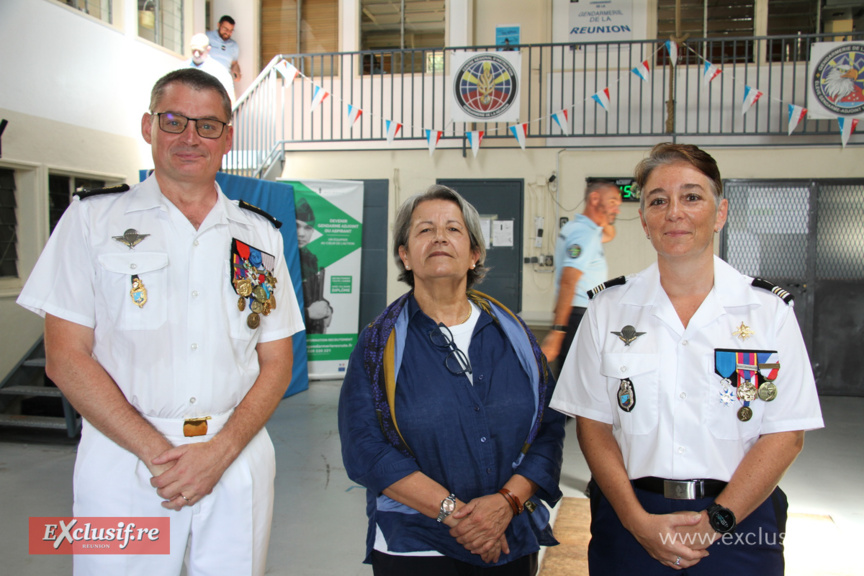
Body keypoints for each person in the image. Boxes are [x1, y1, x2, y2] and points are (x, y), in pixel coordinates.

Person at [16, 68, 304, 576]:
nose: (190, 137)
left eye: (207, 125)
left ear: (227, 137)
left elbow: (276, 361)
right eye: (174, 121)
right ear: (148, 126)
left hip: (235, 454)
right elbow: (64, 357)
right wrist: (158, 453)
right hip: (123, 458)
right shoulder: (91, 222)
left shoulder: (260, 235)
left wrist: (220, 452)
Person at [549, 143, 824, 575]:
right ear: (644, 220)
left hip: (739, 522)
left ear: (720, 213)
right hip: (629, 521)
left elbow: (785, 434)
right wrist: (637, 521)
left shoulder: (767, 312)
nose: (674, 212)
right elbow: (593, 425)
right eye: (658, 200)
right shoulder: (608, 310)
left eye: (692, 196)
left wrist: (714, 524)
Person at [338, 185, 566, 575]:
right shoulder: (379, 344)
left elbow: (548, 428)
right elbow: (365, 448)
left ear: (475, 253)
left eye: (453, 229)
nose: (439, 236)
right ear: (405, 255)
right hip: (416, 546)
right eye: (424, 230)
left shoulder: (516, 338)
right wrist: (460, 517)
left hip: (509, 538)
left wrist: (506, 504)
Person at [541, 180, 621, 373]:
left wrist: (606, 215)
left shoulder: (579, 228)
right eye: (612, 202)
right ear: (594, 199)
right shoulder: (584, 234)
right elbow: (569, 280)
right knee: (574, 383)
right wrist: (557, 331)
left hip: (581, 313)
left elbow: (610, 234)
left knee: (574, 380)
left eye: (618, 205)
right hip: (578, 315)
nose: (617, 210)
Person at [296, 197, 333, 334]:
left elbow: (313, 295)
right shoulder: (280, 257)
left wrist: (327, 309)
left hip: (311, 334)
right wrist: (308, 313)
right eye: (297, 225)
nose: (301, 233)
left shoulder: (310, 259)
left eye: (307, 228)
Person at [187, 32, 236, 104]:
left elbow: (230, 99)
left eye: (200, 51)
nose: (196, 54)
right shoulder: (181, 69)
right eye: (194, 50)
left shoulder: (219, 72)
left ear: (208, 49)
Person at [206, 15, 242, 82]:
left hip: (224, 82)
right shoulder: (207, 36)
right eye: (225, 29)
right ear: (218, 25)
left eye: (231, 31)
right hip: (207, 80)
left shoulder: (234, 45)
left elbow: (234, 64)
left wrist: (237, 73)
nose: (228, 33)